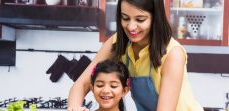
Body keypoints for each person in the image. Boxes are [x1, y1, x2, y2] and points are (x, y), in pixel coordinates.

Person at [68, 0, 203, 111]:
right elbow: (81, 84)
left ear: (155, 18)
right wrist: (75, 109)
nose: (131, 27)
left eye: (140, 19)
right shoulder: (119, 42)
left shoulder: (173, 54)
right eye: (125, 18)